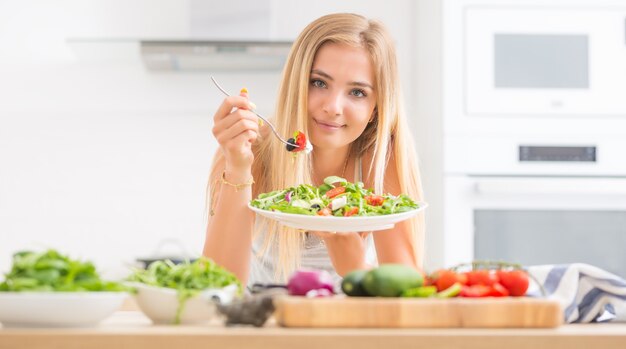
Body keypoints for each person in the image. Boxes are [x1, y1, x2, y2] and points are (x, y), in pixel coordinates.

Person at [203, 13, 425, 287]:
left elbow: (410, 294)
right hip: (264, 321)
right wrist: (237, 166)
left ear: (376, 107)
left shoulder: (380, 158)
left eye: (357, 92)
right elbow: (215, 286)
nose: (333, 106)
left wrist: (356, 268)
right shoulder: (249, 150)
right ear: (295, 84)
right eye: (319, 83)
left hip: (351, 323)